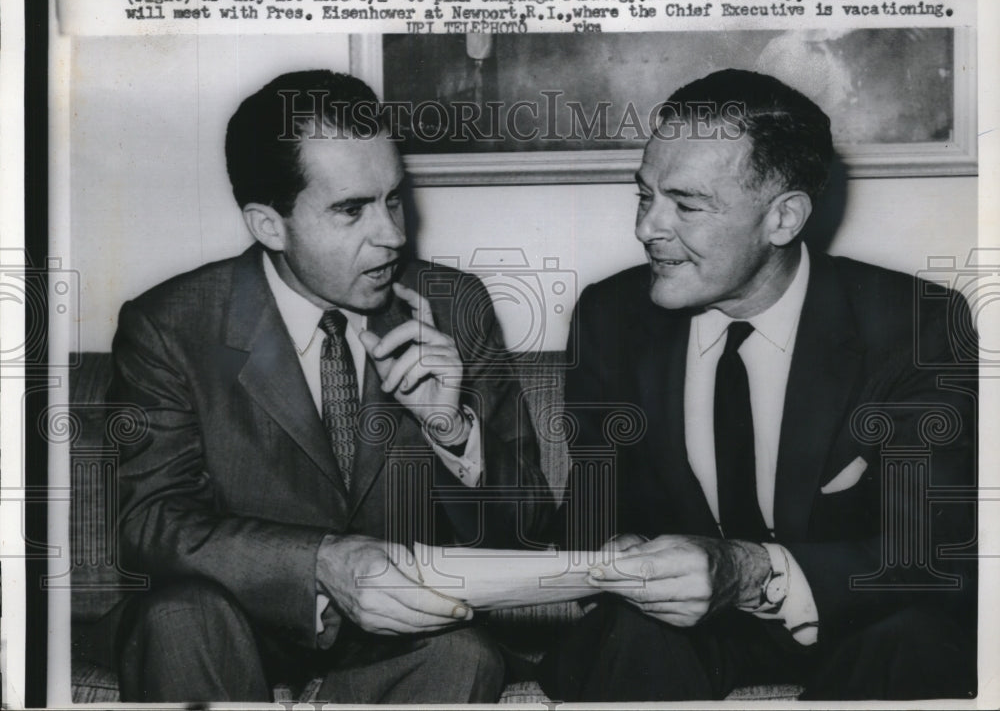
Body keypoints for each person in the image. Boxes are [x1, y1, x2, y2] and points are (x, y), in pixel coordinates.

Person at [106, 70, 553, 703]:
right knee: (178, 618)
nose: (393, 235)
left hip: (406, 636)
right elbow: (150, 522)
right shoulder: (171, 325)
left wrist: (452, 430)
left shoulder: (455, 306)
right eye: (351, 209)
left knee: (464, 654)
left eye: (393, 199)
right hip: (237, 622)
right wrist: (320, 561)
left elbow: (530, 529)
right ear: (269, 225)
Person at [539, 69, 977, 701]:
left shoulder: (914, 325)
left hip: (854, 621)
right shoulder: (610, 318)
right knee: (628, 638)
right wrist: (614, 548)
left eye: (686, 205)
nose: (646, 228)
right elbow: (590, 506)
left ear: (783, 218)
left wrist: (752, 572)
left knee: (918, 643)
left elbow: (937, 547)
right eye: (644, 195)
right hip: (679, 632)